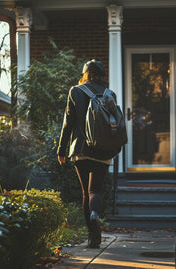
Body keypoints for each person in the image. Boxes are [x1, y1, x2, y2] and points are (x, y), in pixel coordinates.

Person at [57, 59, 120, 248]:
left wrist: (61, 150)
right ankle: (96, 212)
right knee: (96, 190)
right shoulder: (110, 94)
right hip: (102, 150)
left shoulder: (75, 91)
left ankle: (94, 237)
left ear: (85, 74)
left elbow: (68, 123)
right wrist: (114, 147)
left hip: (81, 150)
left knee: (86, 192)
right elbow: (114, 124)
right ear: (102, 75)